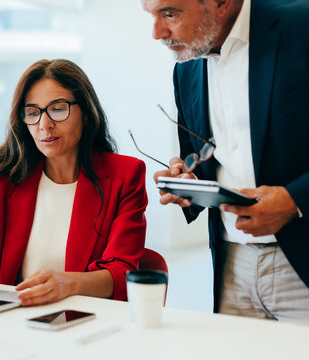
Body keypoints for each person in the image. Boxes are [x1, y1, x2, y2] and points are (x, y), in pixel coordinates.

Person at [142, 0, 309, 321]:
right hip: (230, 265)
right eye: (152, 16)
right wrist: (190, 182)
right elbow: (199, 155)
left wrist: (293, 200)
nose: (157, 33)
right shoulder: (185, 67)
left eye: (170, 13)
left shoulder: (301, 28)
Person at [0, 59, 147, 306]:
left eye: (58, 109)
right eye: (33, 112)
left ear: (85, 113)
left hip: (88, 323)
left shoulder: (125, 175)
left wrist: (70, 284)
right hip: (13, 324)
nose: (44, 125)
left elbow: (122, 273)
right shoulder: (2, 177)